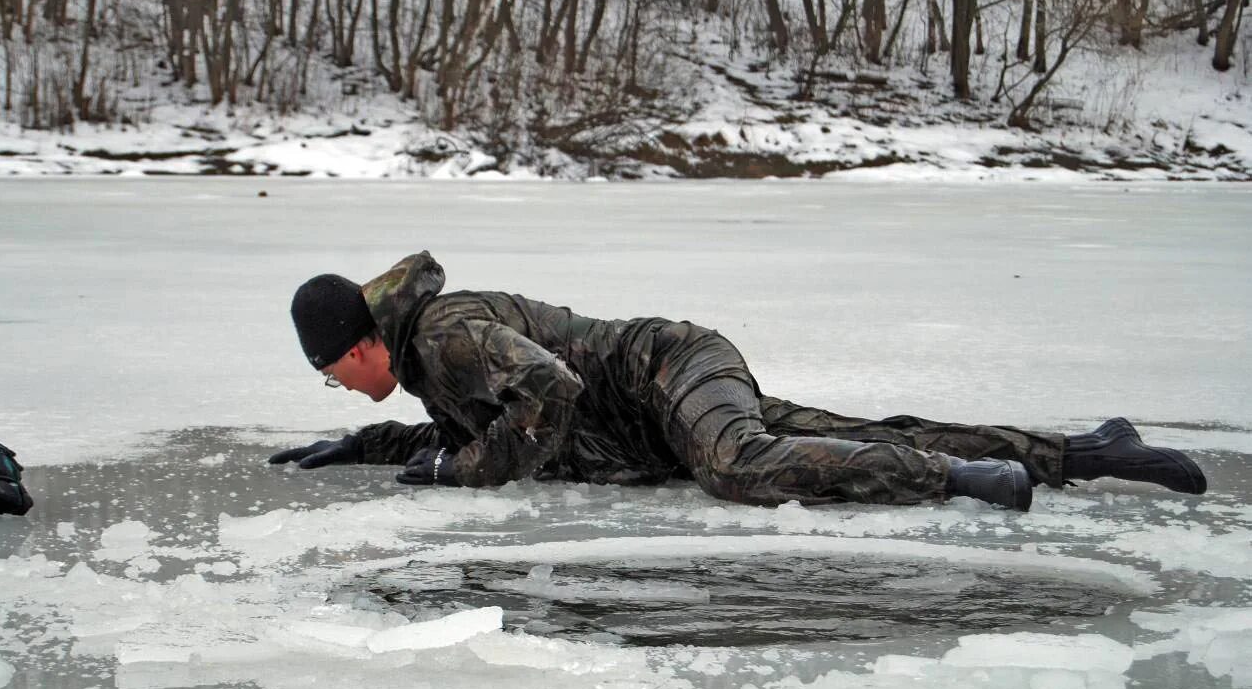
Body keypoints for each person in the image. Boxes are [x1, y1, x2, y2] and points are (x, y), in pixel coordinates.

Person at [268, 252, 1206, 511]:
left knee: (739, 463)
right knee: (848, 436)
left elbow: (549, 395)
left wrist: (465, 475)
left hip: (668, 369)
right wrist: (368, 446)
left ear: (355, 350)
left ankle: (957, 482)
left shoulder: (444, 332)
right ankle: (1088, 452)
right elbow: (463, 432)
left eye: (335, 386)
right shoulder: (425, 365)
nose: (343, 393)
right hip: (655, 422)